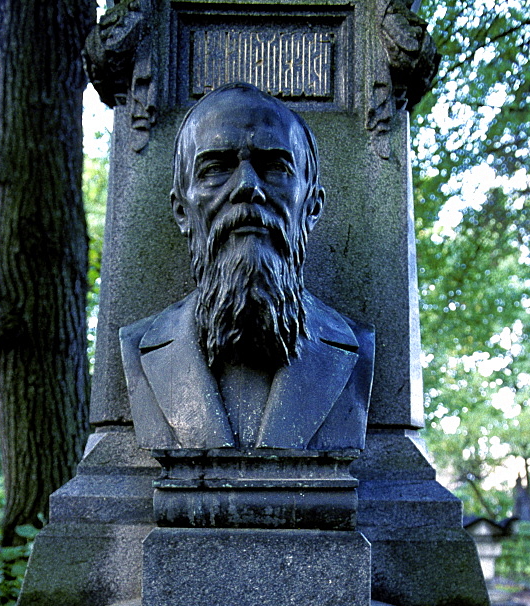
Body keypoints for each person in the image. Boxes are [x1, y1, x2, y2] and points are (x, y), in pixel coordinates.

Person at [120, 82, 374, 450]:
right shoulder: (137, 346)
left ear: (312, 207)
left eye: (275, 167)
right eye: (215, 168)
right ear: (182, 211)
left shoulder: (357, 345)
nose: (247, 187)